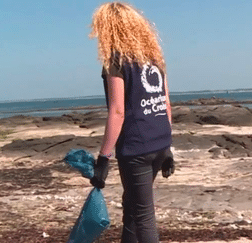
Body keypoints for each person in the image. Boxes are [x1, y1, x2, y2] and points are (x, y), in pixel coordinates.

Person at [88, 2, 175, 242]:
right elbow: (166, 105)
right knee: (132, 207)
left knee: (144, 217)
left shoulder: (116, 62)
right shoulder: (154, 60)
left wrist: (103, 158)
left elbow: (117, 112)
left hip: (136, 148)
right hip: (159, 143)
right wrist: (168, 148)